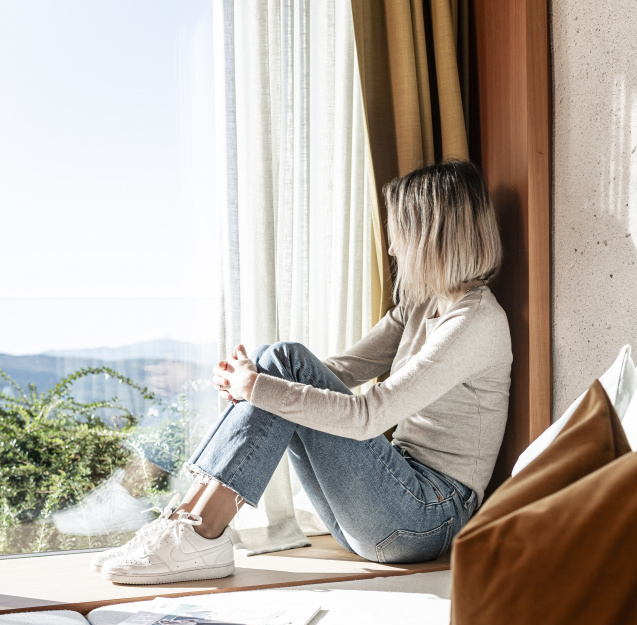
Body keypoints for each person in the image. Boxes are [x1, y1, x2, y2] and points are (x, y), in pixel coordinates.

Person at [95, 160, 512, 585]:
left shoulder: (476, 322)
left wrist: (258, 387)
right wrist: (256, 384)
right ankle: (185, 522)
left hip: (428, 519)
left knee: (281, 368)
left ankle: (202, 533)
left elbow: (369, 415)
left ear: (431, 237)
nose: (391, 249)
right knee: (279, 364)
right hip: (386, 507)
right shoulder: (422, 304)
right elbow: (341, 371)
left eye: (399, 235)